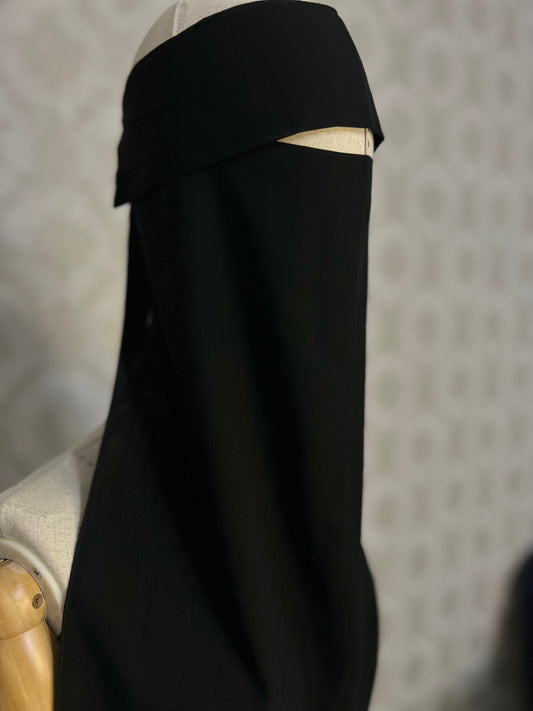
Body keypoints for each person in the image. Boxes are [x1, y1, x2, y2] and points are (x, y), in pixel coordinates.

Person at [0, 1, 384, 708]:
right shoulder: (39, 567)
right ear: (185, 227)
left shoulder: (327, 539)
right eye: (288, 212)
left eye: (345, 208)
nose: (319, 270)